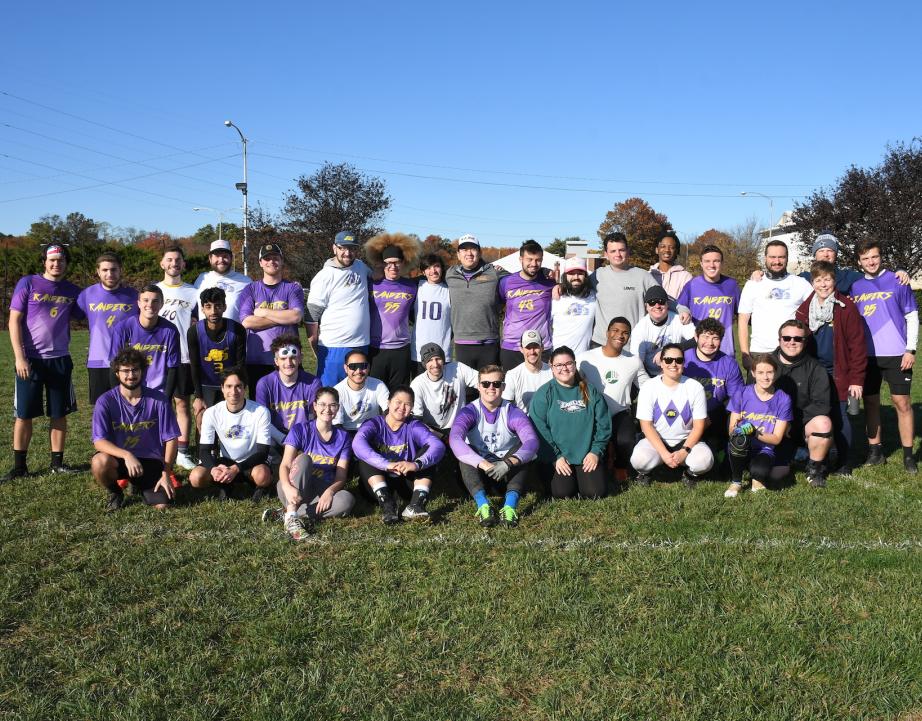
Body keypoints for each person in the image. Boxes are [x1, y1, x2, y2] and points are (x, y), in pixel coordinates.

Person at [5, 243, 84, 480]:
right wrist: (20, 357)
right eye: (52, 260)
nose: (56, 264)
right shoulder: (27, 283)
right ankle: (20, 467)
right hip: (30, 360)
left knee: (59, 413)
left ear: (66, 263)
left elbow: (89, 312)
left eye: (60, 260)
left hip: (59, 359)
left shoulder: (73, 291)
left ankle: (57, 463)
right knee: (24, 414)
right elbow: (13, 321)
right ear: (44, 262)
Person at [850, 237, 918, 470]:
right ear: (859, 262)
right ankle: (875, 451)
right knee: (871, 403)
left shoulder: (898, 280)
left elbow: (911, 316)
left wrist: (911, 349)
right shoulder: (856, 286)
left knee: (902, 403)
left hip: (898, 354)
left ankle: (908, 456)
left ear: (881, 257)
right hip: (867, 356)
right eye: (865, 258)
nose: (871, 261)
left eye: (874, 256)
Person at [795, 260, 866, 475]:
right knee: (815, 415)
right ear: (812, 282)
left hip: (839, 371)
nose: (823, 284)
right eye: (818, 280)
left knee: (840, 415)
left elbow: (857, 346)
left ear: (834, 281)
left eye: (827, 279)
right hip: (814, 372)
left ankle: (844, 462)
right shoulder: (805, 309)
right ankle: (818, 458)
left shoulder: (846, 307)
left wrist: (856, 379)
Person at [449, 365, 539, 527]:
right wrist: (484, 464)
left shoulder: (512, 411)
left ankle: (510, 507)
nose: (491, 387)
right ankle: (483, 505)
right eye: (485, 384)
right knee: (467, 453)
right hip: (481, 476)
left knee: (522, 448)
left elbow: (532, 442)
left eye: (496, 384)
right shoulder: (469, 412)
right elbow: (455, 440)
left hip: (507, 475)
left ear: (503, 387)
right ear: (478, 386)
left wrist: (508, 463)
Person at [91, 348, 179, 512]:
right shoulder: (105, 401)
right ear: (117, 373)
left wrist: (166, 473)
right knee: (99, 462)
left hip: (150, 462)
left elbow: (171, 438)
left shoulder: (158, 400)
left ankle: (138, 483)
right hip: (120, 460)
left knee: (162, 506)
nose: (130, 375)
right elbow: (99, 441)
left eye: (135, 370)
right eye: (125, 370)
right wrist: (126, 454)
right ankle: (115, 492)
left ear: (143, 371)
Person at [271, 387, 356, 540]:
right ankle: (291, 516)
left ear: (337, 408)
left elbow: (341, 476)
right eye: (322, 404)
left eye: (332, 405)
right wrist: (287, 487)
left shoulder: (344, 437)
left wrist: (329, 492)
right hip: (294, 485)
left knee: (347, 500)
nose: (327, 409)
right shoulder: (300, 430)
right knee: (304, 458)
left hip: (321, 489)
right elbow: (284, 465)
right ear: (315, 406)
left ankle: (288, 514)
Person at [352, 386, 446, 524]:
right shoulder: (374, 423)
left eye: (407, 404)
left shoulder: (414, 425)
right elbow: (357, 444)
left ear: (412, 407)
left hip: (406, 481)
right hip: (378, 482)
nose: (402, 407)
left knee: (428, 454)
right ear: (388, 403)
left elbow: (438, 446)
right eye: (398, 402)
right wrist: (386, 465)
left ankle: (416, 505)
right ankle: (388, 505)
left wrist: (416, 464)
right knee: (366, 453)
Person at [530, 346, 611, 500]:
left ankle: (583, 477)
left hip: (586, 454)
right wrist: (555, 456)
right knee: (562, 493)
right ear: (552, 367)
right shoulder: (544, 393)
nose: (564, 368)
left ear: (575, 364)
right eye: (559, 365)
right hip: (558, 456)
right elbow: (538, 428)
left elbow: (604, 424)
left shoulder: (590, 391)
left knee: (595, 493)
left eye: (568, 363)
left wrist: (595, 452)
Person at [631, 343, 713, 487]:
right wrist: (663, 453)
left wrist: (684, 451)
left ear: (683, 363)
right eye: (668, 360)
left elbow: (699, 426)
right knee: (639, 460)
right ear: (661, 363)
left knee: (705, 461)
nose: (673, 364)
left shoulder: (695, 387)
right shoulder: (649, 387)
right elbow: (646, 425)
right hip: (657, 441)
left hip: (686, 441)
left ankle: (690, 474)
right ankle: (646, 472)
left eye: (678, 360)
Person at [577, 317, 648, 480]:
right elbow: (572, 384)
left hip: (619, 412)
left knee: (625, 440)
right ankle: (604, 458)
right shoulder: (585, 358)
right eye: (616, 330)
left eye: (625, 333)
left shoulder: (633, 361)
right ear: (607, 332)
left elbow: (648, 387)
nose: (620, 335)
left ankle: (620, 464)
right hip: (592, 414)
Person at [189, 368, 273, 501]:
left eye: (238, 386)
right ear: (222, 388)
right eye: (228, 386)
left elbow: (263, 453)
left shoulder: (260, 412)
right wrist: (213, 469)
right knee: (196, 477)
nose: (233, 392)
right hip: (225, 462)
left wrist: (236, 469)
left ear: (245, 388)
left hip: (252, 462)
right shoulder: (212, 413)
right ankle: (226, 484)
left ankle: (259, 487)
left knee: (262, 476)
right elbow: (204, 451)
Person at [590, 232, 688, 346]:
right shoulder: (596, 276)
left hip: (633, 344)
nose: (618, 254)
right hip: (602, 344)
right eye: (613, 251)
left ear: (628, 251)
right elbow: (574, 288)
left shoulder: (642, 276)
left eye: (621, 250)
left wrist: (681, 309)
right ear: (606, 254)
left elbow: (661, 299)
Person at [771, 320, 834, 487]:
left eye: (798, 339)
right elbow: (750, 399)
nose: (792, 342)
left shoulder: (816, 368)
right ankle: (791, 455)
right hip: (771, 427)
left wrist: (791, 423)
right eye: (787, 338)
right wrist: (780, 425)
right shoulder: (765, 364)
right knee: (774, 474)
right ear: (779, 340)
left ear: (805, 342)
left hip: (801, 426)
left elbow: (822, 405)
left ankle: (815, 468)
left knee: (823, 423)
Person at [747, 232, 910, 295]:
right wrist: (760, 273)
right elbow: (780, 281)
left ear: (836, 254)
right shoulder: (803, 278)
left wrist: (900, 271)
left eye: (830, 250)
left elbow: (873, 274)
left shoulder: (850, 277)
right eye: (821, 250)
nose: (825, 253)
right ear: (814, 255)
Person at [306, 230, 372, 386]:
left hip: (361, 344)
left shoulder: (361, 267)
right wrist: (316, 347)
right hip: (334, 347)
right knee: (330, 396)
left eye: (352, 248)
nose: (347, 253)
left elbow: (377, 277)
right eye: (342, 248)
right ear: (334, 248)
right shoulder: (324, 276)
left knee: (358, 395)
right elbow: (311, 316)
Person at [238, 243, 305, 394]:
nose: (271, 262)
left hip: (289, 358)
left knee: (290, 408)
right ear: (261, 263)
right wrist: (283, 316)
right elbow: (247, 321)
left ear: (281, 261)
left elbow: (295, 316)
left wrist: (263, 312)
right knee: (260, 409)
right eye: (267, 259)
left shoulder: (292, 288)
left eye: (275, 258)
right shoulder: (251, 289)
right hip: (258, 360)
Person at [723, 354, 793, 497]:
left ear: (776, 373)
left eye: (769, 372)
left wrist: (754, 432)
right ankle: (736, 482)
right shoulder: (741, 393)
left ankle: (755, 474)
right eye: (760, 372)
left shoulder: (783, 398)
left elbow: (777, 439)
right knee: (738, 439)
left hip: (764, 449)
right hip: (742, 444)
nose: (765, 377)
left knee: (760, 471)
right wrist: (739, 428)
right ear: (753, 373)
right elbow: (731, 431)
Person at [157, 245, 199, 471]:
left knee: (182, 404)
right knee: (155, 405)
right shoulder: (152, 291)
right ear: (162, 264)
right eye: (169, 260)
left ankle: (182, 451)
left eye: (178, 260)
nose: (174, 263)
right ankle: (156, 446)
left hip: (182, 357)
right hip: (154, 360)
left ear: (184, 264)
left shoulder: (193, 292)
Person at [738, 240, 812, 368]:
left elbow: (816, 311)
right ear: (765, 258)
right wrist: (745, 354)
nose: (777, 261)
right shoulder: (753, 284)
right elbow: (743, 321)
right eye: (772, 257)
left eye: (781, 257)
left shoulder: (801, 284)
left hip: (791, 350)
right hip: (760, 352)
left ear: (787, 258)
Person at [76, 252, 138, 404]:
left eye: (114, 269)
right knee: (101, 408)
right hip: (97, 361)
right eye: (105, 270)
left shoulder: (134, 296)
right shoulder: (87, 294)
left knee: (128, 406)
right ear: (97, 271)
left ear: (120, 270)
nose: (109, 274)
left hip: (126, 361)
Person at [682, 318, 745, 466]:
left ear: (721, 340)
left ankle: (722, 448)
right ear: (696, 337)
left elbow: (737, 398)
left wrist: (714, 417)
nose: (710, 343)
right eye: (705, 336)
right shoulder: (683, 359)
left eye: (715, 338)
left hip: (715, 415)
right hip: (685, 413)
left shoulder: (728, 363)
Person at [445, 234, 508, 370]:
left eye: (473, 249)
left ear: (479, 253)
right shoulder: (450, 274)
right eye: (464, 249)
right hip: (462, 344)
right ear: (458, 254)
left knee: (490, 388)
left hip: (489, 343)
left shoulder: (494, 272)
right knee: (467, 390)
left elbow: (519, 279)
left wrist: (544, 273)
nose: (469, 253)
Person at [365, 232, 421, 388]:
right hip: (376, 349)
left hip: (401, 349)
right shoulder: (370, 283)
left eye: (396, 262)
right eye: (388, 263)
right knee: (375, 394)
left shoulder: (411, 286)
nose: (393, 267)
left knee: (399, 395)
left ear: (403, 263)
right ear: (381, 264)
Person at [187, 287, 247, 432]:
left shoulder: (237, 330)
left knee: (230, 422)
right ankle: (204, 452)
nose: (213, 311)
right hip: (206, 383)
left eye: (218, 306)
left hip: (229, 384)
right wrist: (198, 396)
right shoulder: (194, 331)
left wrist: (238, 389)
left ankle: (227, 451)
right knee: (203, 420)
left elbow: (240, 364)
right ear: (202, 309)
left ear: (224, 307)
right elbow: (194, 365)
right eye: (208, 306)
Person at [109, 284, 180, 398]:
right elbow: (114, 365)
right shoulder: (122, 329)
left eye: (155, 301)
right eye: (145, 300)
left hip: (158, 394)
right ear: (139, 303)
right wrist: (119, 398)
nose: (150, 305)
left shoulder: (170, 331)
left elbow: (173, 368)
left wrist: (166, 398)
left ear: (162, 304)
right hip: (130, 392)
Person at [497, 240, 555, 370]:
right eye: (529, 259)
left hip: (540, 347)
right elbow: (499, 305)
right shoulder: (505, 282)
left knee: (542, 388)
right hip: (512, 347)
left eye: (538, 260)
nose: (534, 264)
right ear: (521, 259)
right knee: (511, 388)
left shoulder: (549, 283)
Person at [255, 334, 321, 448]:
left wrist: (300, 441)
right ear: (276, 361)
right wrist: (285, 441)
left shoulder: (313, 383)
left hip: (304, 436)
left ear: (300, 358)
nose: (289, 363)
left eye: (293, 357)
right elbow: (262, 421)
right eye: (283, 358)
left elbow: (315, 417)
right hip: (275, 437)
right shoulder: (264, 383)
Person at [677, 244, 741, 357]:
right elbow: (679, 306)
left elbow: (744, 314)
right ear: (701, 263)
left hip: (725, 350)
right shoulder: (692, 285)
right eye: (707, 261)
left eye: (716, 261)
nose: (711, 265)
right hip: (699, 350)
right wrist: (683, 310)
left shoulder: (732, 285)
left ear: (722, 263)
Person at [410, 343, 478, 437]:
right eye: (430, 360)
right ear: (424, 364)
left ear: (444, 360)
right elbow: (416, 421)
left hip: (459, 427)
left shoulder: (458, 368)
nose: (435, 364)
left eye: (438, 359)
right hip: (431, 431)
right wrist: (441, 437)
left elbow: (483, 382)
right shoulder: (417, 384)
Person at [629, 285, 695, 377]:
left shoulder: (679, 319)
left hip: (676, 372)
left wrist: (668, 351)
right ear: (646, 307)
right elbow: (636, 365)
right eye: (652, 302)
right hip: (650, 376)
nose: (657, 306)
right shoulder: (640, 329)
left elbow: (698, 339)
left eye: (661, 301)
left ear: (667, 304)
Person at [411, 253, 453, 374]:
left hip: (442, 349)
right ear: (423, 272)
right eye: (428, 268)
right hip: (418, 351)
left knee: (442, 389)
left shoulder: (450, 290)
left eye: (436, 266)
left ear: (442, 268)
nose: (433, 271)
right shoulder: (417, 286)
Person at [193, 238, 252, 321]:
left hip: (235, 333)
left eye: (225, 256)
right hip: (204, 333)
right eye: (217, 256)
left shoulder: (246, 282)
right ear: (210, 258)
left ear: (231, 258)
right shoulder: (201, 279)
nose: (221, 260)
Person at [333, 349, 390, 432]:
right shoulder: (337, 392)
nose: (358, 371)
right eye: (353, 366)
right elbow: (337, 425)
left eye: (363, 366)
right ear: (346, 368)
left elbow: (389, 410)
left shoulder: (379, 385)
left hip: (373, 430)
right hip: (347, 432)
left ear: (369, 367)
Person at [550, 256, 596, 356]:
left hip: (584, 359)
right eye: (571, 273)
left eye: (580, 273)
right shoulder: (555, 298)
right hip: (558, 359)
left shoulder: (594, 297)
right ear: (565, 276)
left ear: (585, 275)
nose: (576, 277)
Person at [500, 330, 553, 412]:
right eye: (528, 347)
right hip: (523, 421)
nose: (532, 352)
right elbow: (506, 407)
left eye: (535, 347)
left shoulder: (553, 372)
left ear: (542, 347)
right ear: (521, 349)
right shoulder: (512, 375)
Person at [649, 232, 692, 301]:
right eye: (663, 246)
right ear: (657, 250)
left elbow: (689, 302)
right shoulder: (649, 275)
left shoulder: (685, 277)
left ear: (677, 251)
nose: (667, 250)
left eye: (671, 247)